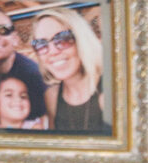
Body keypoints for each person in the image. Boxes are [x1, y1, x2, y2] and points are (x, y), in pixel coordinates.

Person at [29, 7, 107, 135]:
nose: (53, 51)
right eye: (41, 44)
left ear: (81, 40)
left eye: (62, 39)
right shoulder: (51, 97)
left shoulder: (109, 93)